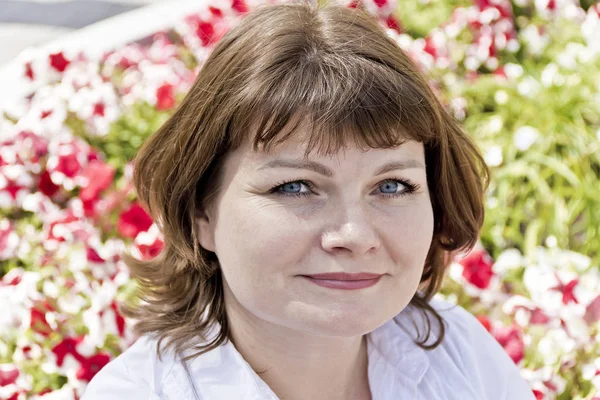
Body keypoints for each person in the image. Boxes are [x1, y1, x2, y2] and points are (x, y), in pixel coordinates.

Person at [82, 1, 536, 399]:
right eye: (295, 187)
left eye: (393, 185)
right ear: (201, 211)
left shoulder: (458, 354)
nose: (355, 236)